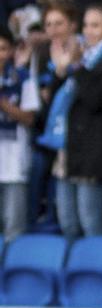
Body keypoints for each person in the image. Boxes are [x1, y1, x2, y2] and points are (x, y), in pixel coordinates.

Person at [44, 3, 102, 240]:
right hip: (67, 146)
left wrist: (76, 66)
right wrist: (61, 70)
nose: (89, 31)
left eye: (96, 25)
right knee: (68, 223)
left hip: (95, 150)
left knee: (91, 222)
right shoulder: (80, 56)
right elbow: (53, 98)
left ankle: (100, 273)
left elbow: (97, 99)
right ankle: (74, 276)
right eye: (86, 25)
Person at [0, 26, 34, 240]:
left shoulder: (23, 78)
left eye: (3, 48)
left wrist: (3, 104)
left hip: (14, 163)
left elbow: (30, 118)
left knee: (14, 229)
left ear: (12, 50)